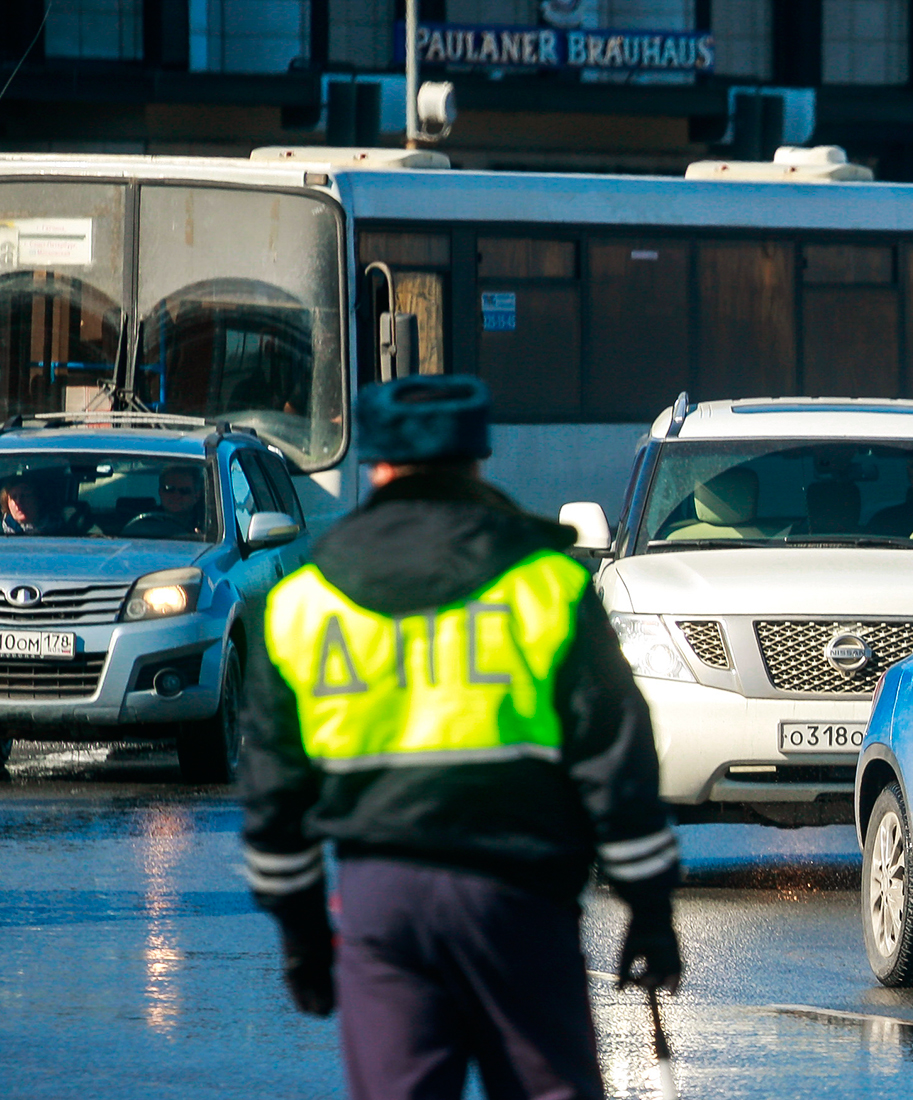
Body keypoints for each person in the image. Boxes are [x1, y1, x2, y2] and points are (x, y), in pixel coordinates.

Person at [239, 375, 681, 1100]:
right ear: (478, 459)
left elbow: (272, 791)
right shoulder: (548, 585)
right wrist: (649, 907)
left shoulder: (303, 602)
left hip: (382, 904)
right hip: (519, 900)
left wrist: (302, 938)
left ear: (376, 466)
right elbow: (615, 752)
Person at [1, 475, 69, 536]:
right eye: (14, 497)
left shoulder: (62, 533)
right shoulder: (2, 534)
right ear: (7, 504)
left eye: (24, 496)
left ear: (36, 499)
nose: (18, 502)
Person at [156, 465, 205, 535]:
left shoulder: (210, 525)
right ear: (160, 492)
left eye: (184, 491)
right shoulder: (144, 524)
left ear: (197, 495)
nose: (176, 496)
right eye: (169, 489)